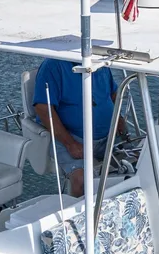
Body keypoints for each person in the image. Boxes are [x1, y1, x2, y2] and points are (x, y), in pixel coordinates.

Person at [32, 59, 123, 197]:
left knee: (135, 163)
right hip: (70, 138)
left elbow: (113, 94)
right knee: (81, 181)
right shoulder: (52, 65)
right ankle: (79, 216)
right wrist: (70, 144)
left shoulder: (98, 62)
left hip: (108, 137)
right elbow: (43, 108)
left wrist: (120, 118)